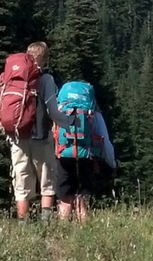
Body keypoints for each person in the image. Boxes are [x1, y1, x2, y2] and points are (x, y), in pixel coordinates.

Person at [7, 41, 71, 220]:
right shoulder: (46, 79)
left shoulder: (13, 76)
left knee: (21, 180)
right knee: (47, 180)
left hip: (18, 136)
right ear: (44, 59)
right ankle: (46, 224)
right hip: (41, 136)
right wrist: (68, 123)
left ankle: (23, 225)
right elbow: (52, 109)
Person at [54, 81, 117, 222]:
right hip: (87, 154)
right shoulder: (93, 113)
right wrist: (112, 163)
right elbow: (105, 141)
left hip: (64, 153)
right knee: (84, 195)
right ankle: (83, 227)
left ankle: (62, 230)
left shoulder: (60, 109)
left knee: (65, 195)